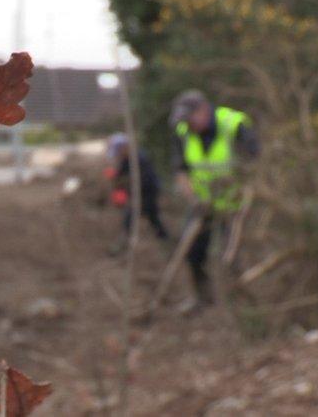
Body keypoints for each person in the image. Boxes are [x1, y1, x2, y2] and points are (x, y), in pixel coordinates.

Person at [170, 90, 259, 313]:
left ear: (203, 111)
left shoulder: (233, 125)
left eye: (190, 118)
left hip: (235, 205)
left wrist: (243, 188)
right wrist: (193, 198)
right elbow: (181, 171)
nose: (187, 124)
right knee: (192, 250)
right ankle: (202, 297)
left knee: (232, 255)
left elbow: (255, 162)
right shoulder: (184, 133)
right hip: (204, 205)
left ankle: (243, 302)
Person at [107, 133, 170, 256]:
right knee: (153, 218)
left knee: (132, 216)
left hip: (148, 192)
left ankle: (126, 243)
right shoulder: (126, 160)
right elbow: (120, 175)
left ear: (124, 147)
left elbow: (145, 180)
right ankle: (164, 240)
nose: (118, 155)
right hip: (138, 193)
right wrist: (116, 179)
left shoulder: (140, 159)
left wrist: (128, 182)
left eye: (118, 151)